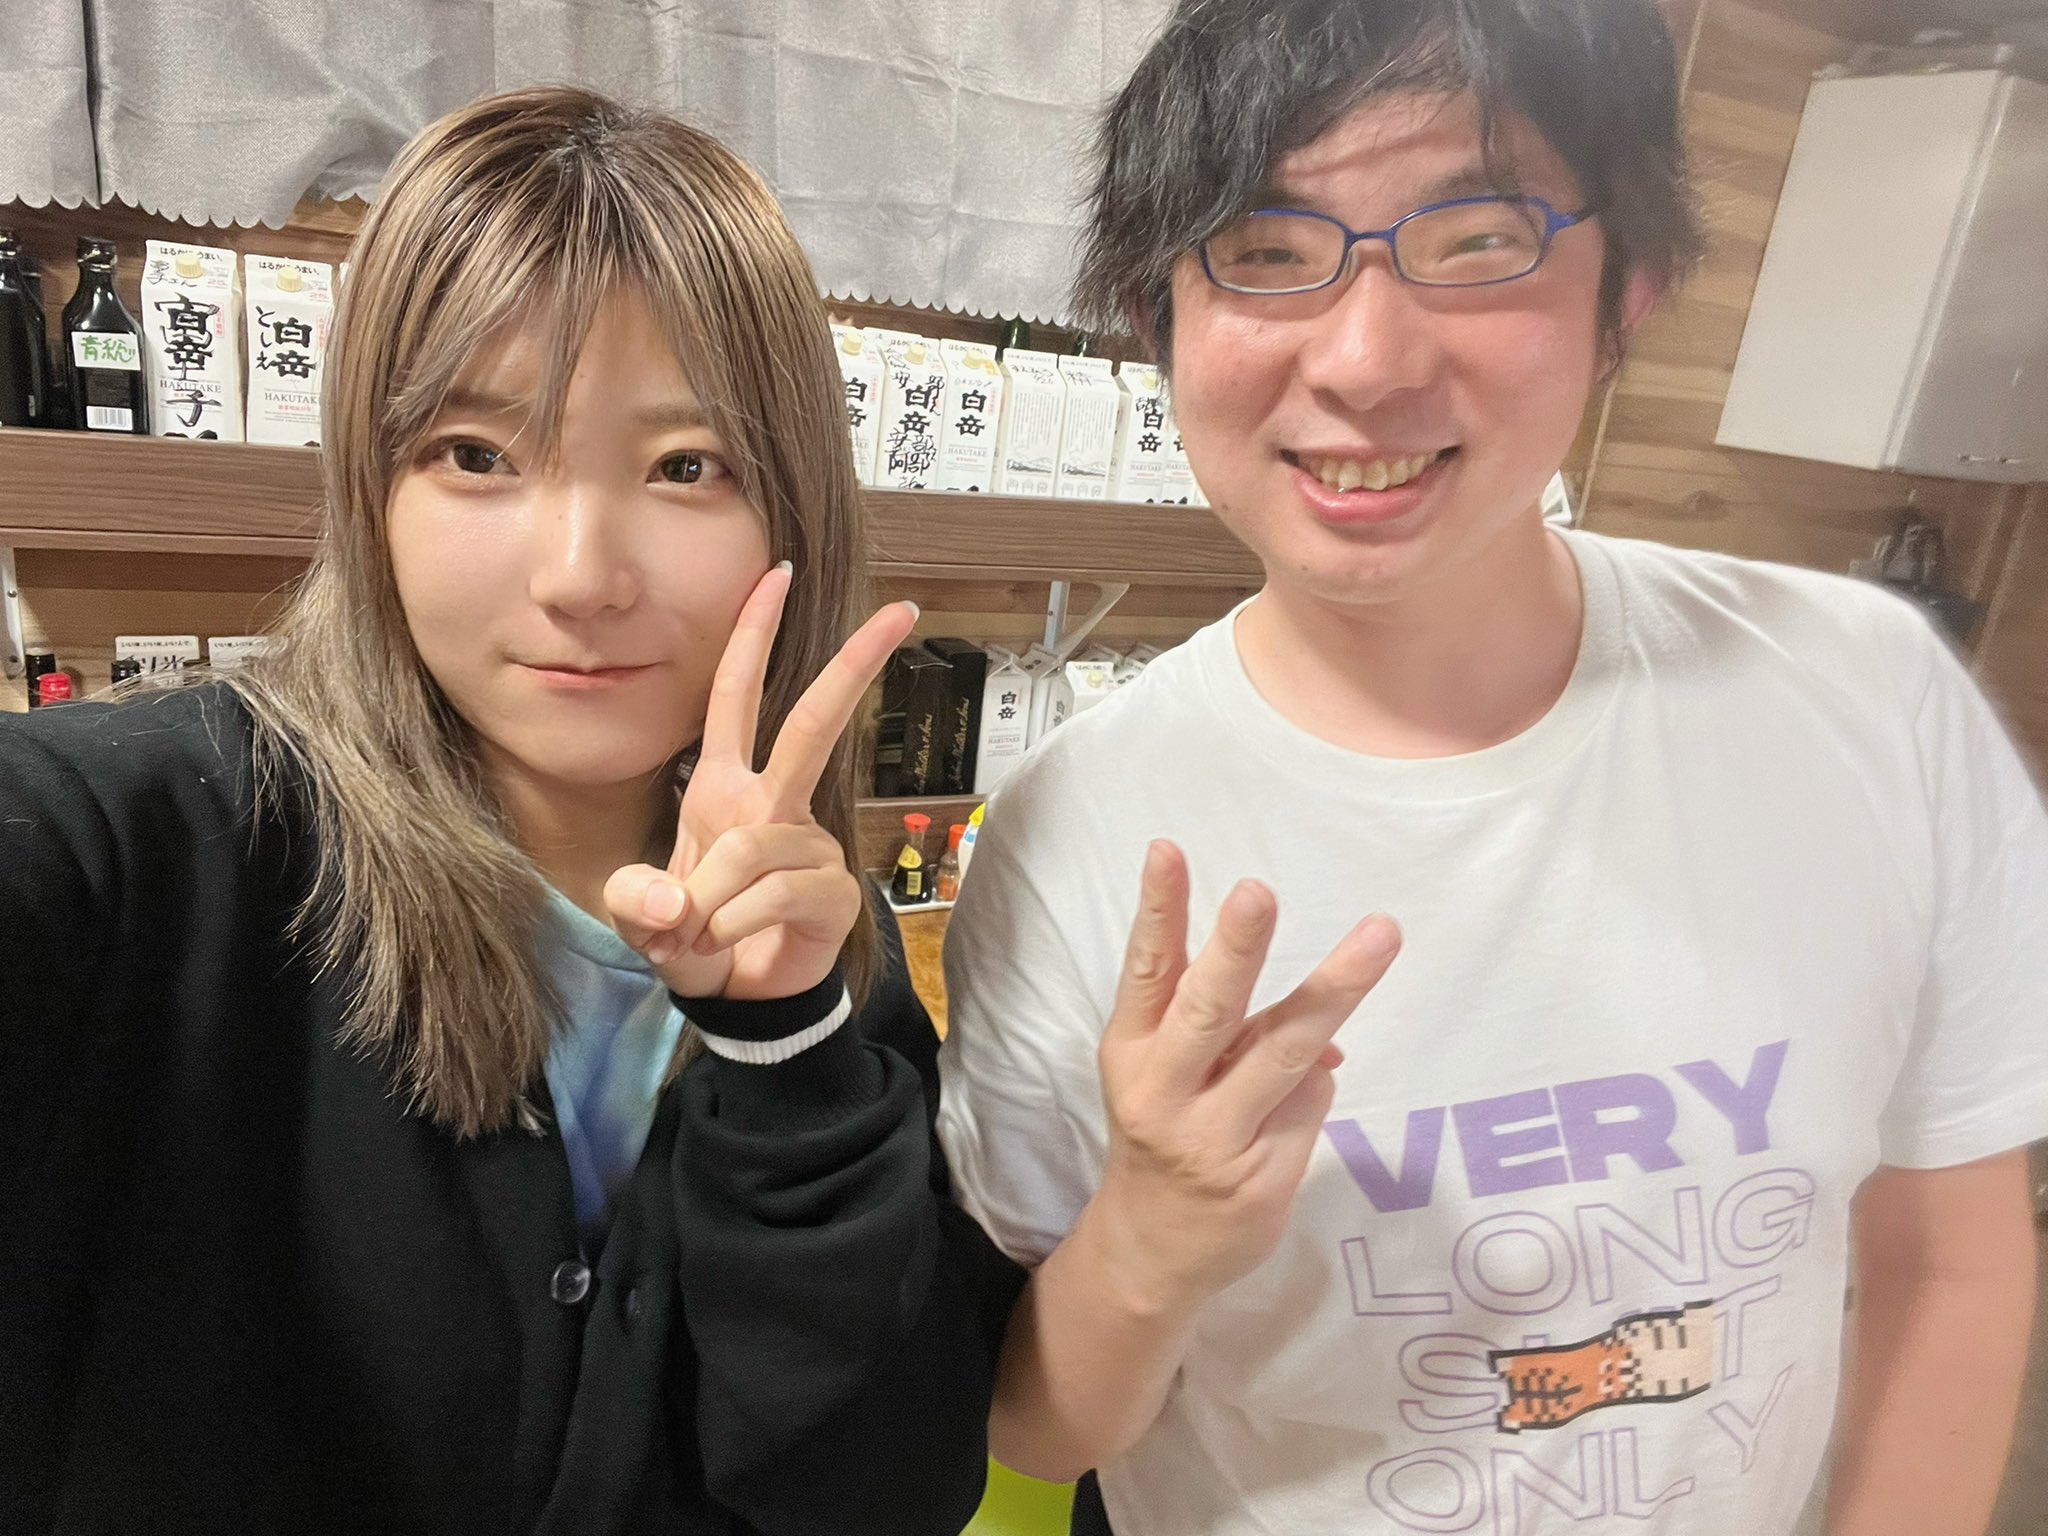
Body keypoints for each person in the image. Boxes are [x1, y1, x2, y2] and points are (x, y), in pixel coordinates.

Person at [935, 3, 2048, 1534]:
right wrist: (1154, 1236)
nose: (1366, 360)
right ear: (1157, 319)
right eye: (1266, 250)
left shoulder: (1871, 696)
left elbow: (1955, 1257)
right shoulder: (1070, 832)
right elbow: (1037, 1429)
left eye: (1477, 240)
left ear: (1628, 289)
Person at [0, 87, 1020, 1535]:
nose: (581, 576)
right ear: (372, 492)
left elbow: (882, 1495)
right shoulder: (162, 843)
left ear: (792, 509)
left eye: (685, 467)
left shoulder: (827, 959)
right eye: (475, 455)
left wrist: (786, 1051)